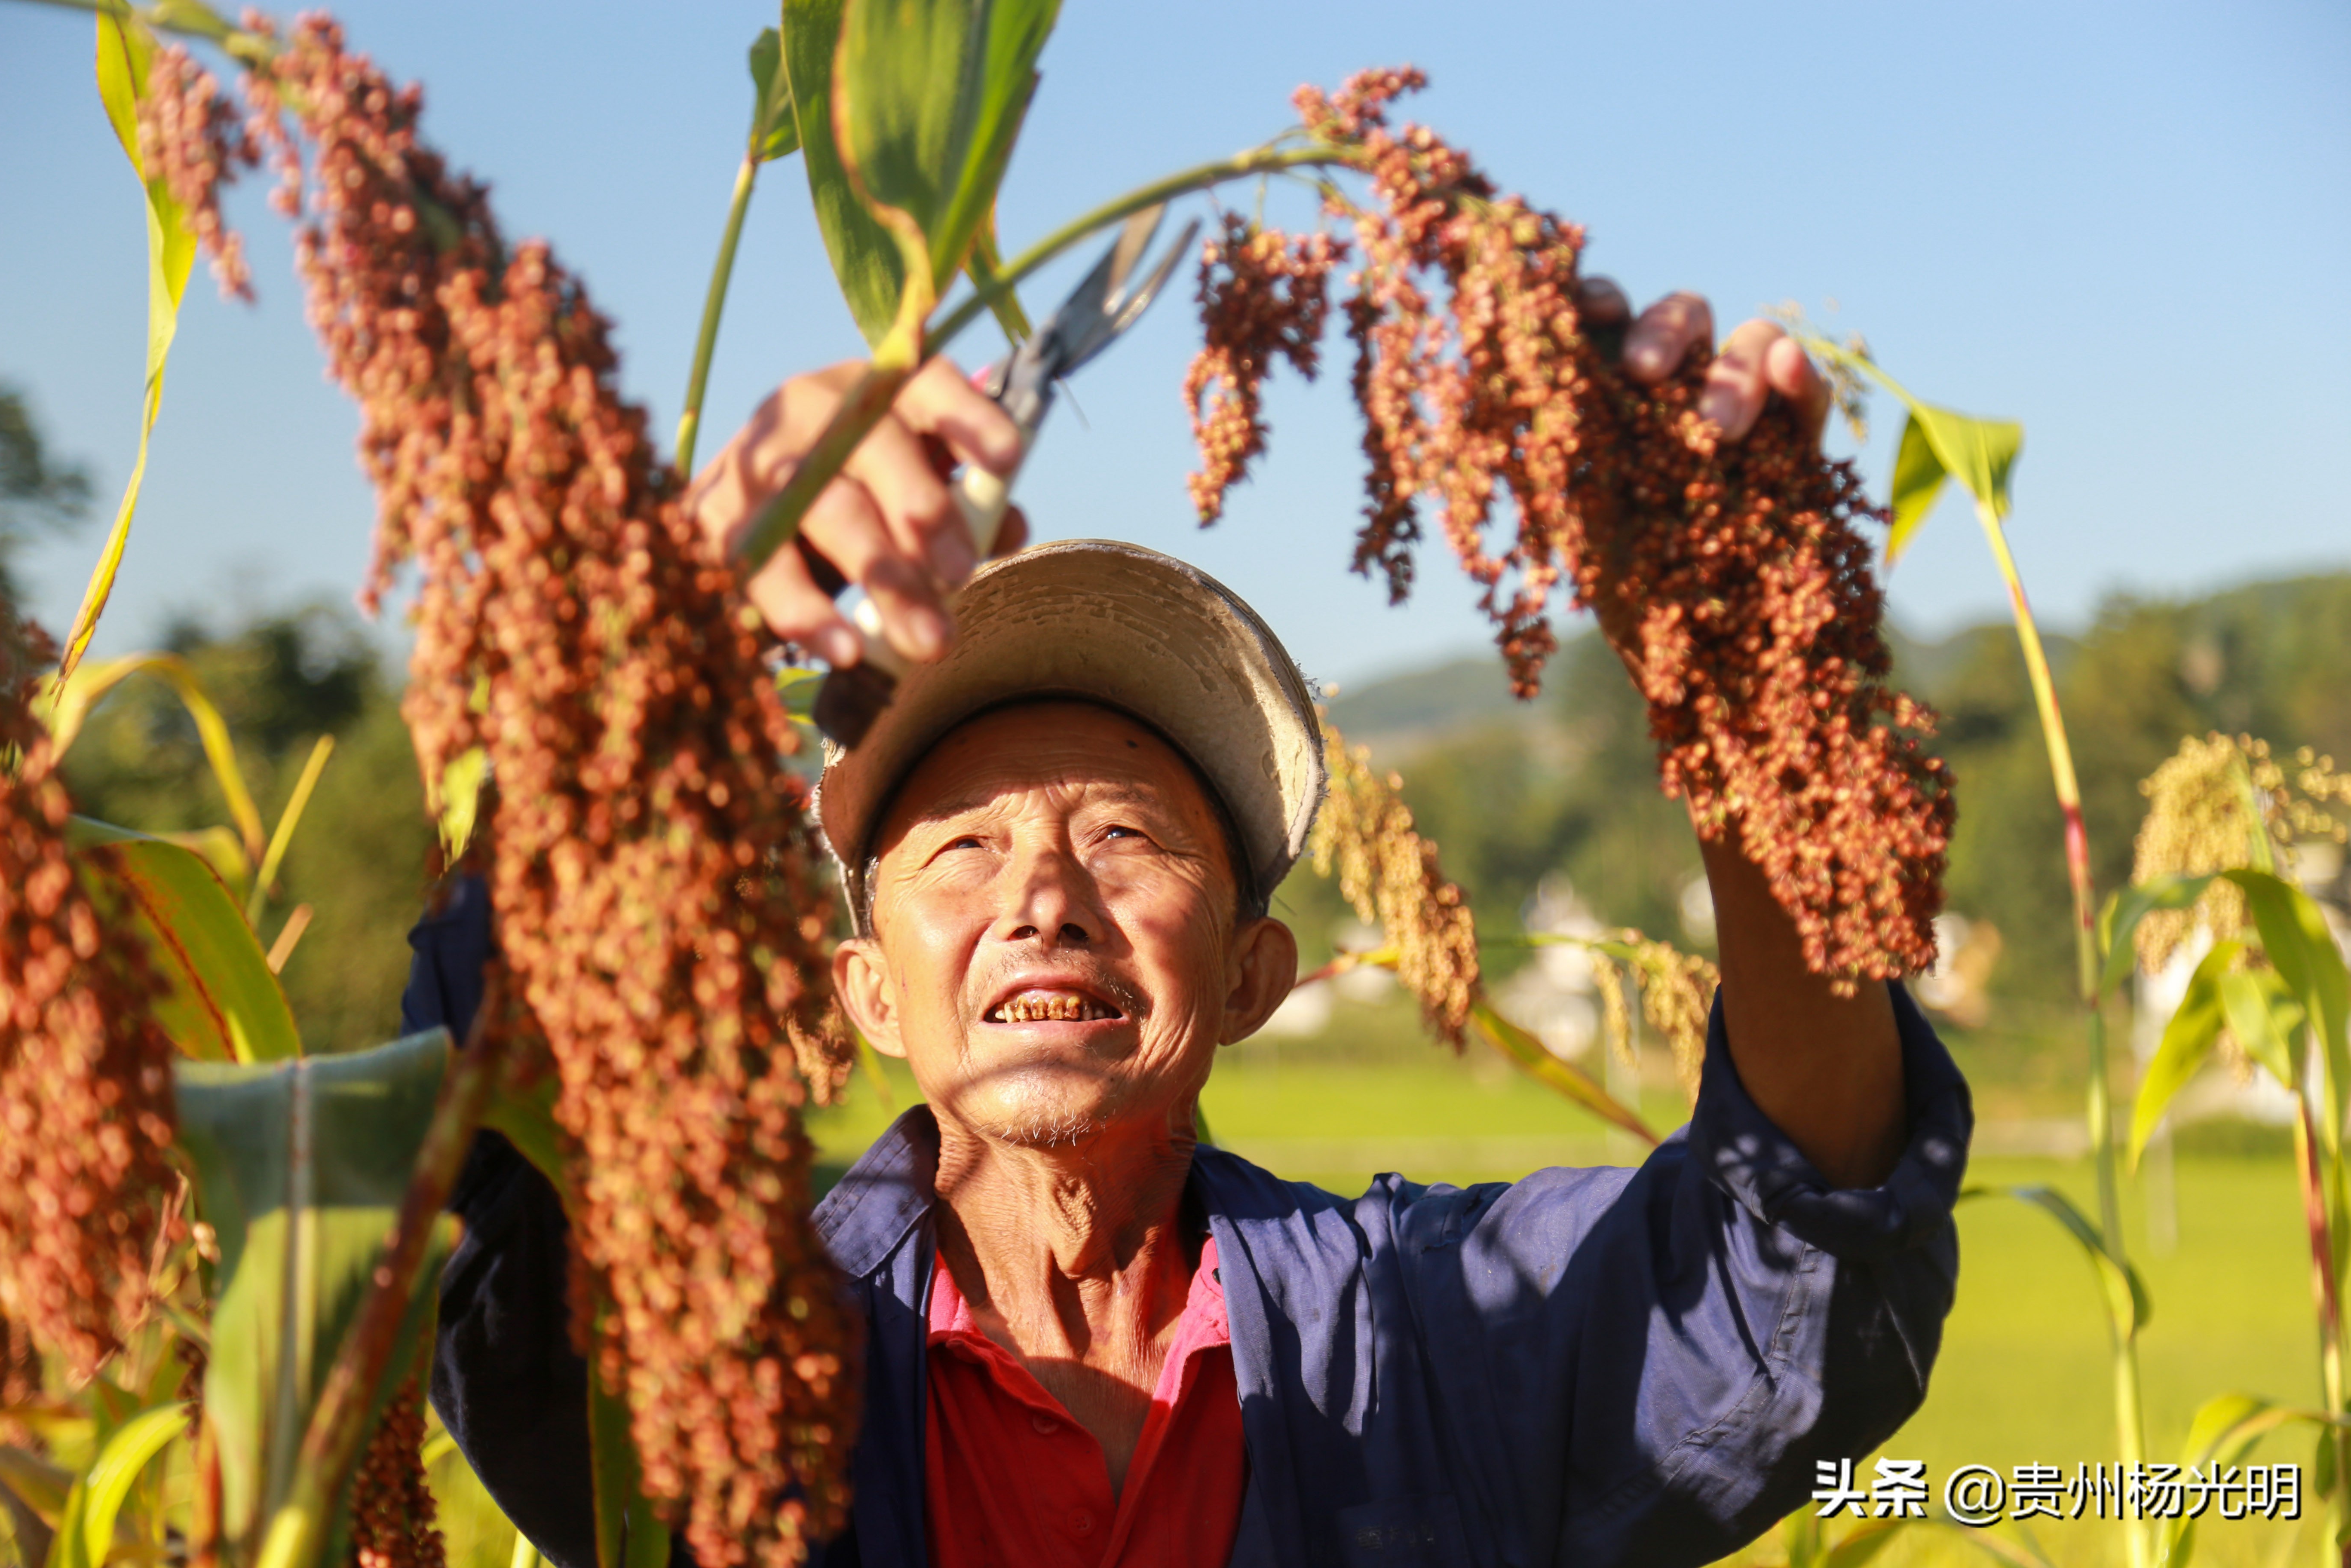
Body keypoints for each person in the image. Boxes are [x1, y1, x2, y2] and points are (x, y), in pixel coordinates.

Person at [405, 285, 1971, 1568]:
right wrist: (675, 616)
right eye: (961, 848)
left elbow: (1796, 1256)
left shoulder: (1431, 1332)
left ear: (1248, 977)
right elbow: (470, 1137)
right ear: (867, 989)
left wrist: (1761, 722)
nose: (1041, 900)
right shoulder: (738, 1355)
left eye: (1124, 838)